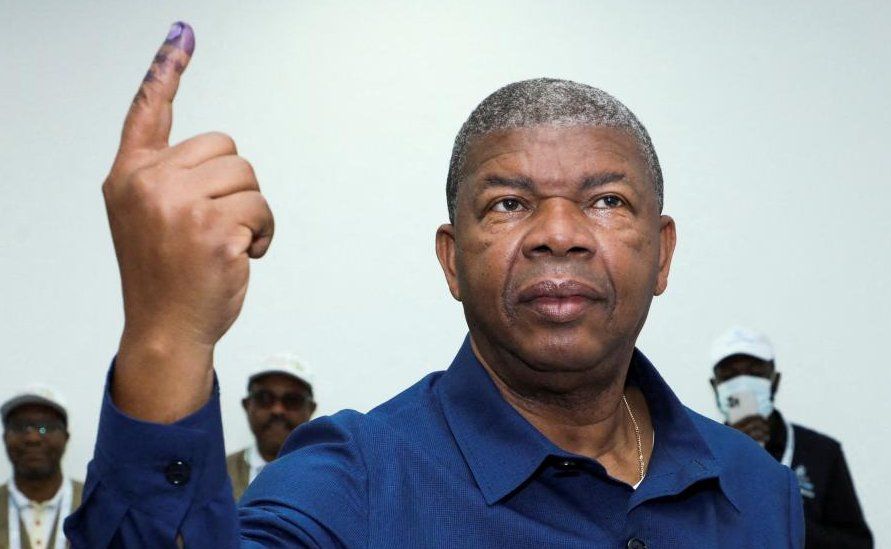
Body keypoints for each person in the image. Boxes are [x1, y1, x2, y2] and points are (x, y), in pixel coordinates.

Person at [65, 22, 804, 547]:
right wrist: (167, 333)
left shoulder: (757, 489)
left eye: (606, 200)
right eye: (508, 204)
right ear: (452, 260)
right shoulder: (353, 477)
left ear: (663, 255)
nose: (558, 231)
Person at [710, 326, 873, 548]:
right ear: (715, 386)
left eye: (754, 372)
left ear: (774, 381)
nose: (742, 384)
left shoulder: (821, 453)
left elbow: (857, 544)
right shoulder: (701, 454)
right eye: (730, 375)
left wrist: (787, 520)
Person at [226, 354, 316, 501]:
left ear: (311, 409)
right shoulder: (215, 476)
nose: (277, 410)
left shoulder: (329, 477)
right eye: (264, 398)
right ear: (247, 405)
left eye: (292, 400)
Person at [2, 385, 83, 549]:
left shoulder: (94, 505)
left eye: (45, 427)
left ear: (66, 437)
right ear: (4, 438)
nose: (33, 438)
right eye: (20, 427)